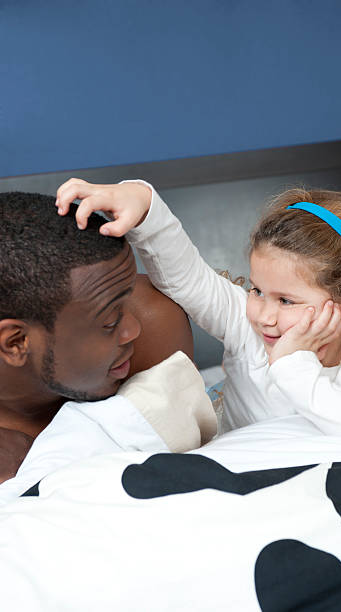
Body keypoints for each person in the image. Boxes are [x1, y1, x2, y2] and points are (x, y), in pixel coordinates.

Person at [55, 178, 341, 441]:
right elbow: (188, 279)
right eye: (257, 290)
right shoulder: (247, 325)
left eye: (286, 301)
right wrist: (146, 205)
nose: (264, 316)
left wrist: (292, 366)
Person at [0, 191, 216, 492]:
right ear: (16, 342)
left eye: (125, 300)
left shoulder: (153, 325)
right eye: (110, 322)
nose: (133, 329)